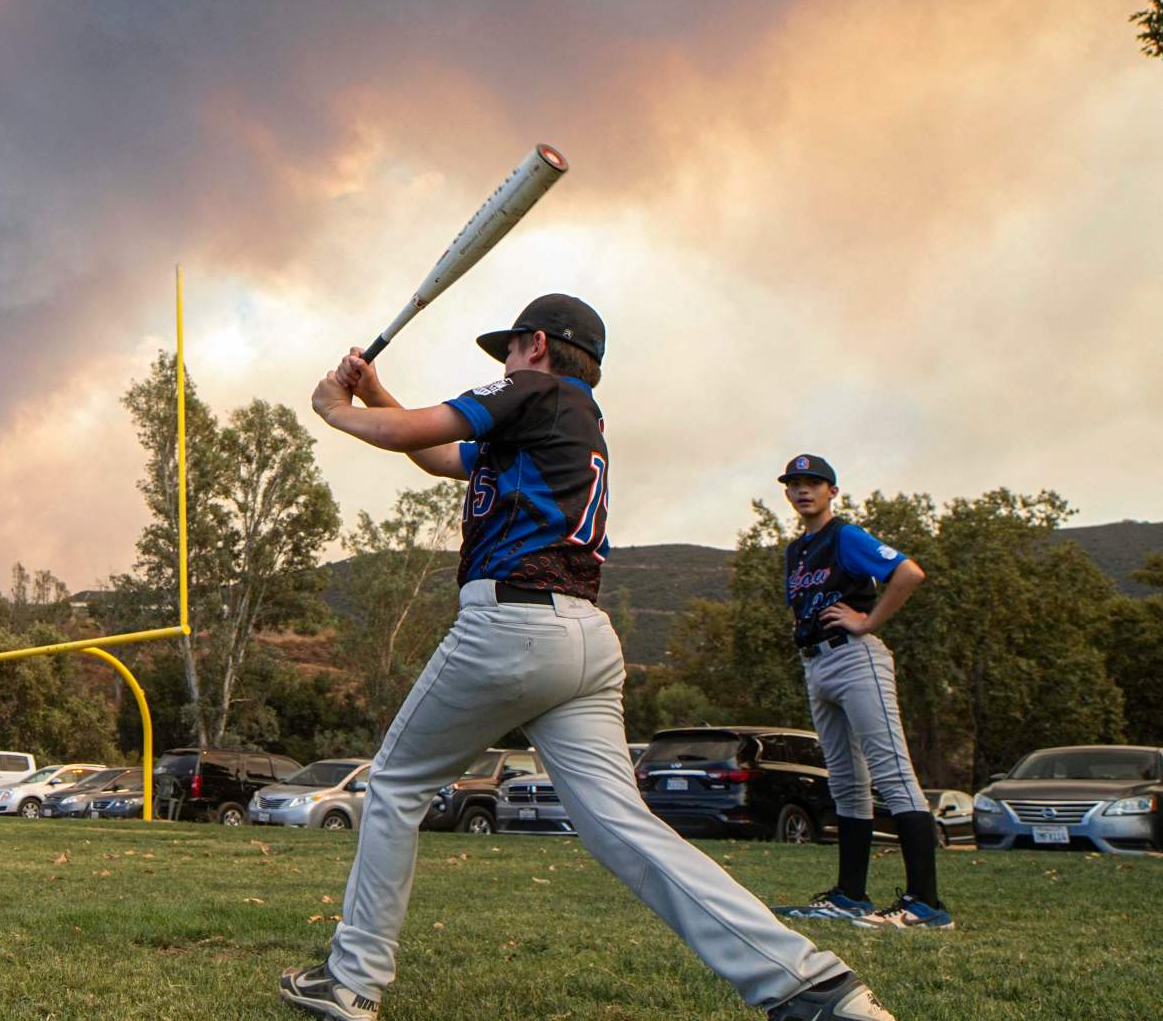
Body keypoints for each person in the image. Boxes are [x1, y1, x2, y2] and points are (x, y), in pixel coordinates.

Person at [281, 295, 894, 1021]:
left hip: (510, 626)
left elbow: (413, 430)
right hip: (585, 642)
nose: (504, 361)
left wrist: (335, 409)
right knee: (621, 827)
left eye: (509, 348)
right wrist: (375, 392)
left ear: (537, 345)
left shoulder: (534, 389)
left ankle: (351, 980)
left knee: (392, 787)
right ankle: (808, 984)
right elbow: (437, 454)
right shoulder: (564, 418)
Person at [769, 456, 951, 931]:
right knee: (847, 784)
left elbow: (909, 573)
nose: (803, 490)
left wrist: (868, 622)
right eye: (795, 484)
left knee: (892, 772)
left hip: (855, 657)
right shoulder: (797, 551)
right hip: (818, 664)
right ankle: (850, 896)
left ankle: (926, 904)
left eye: (814, 483)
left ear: (832, 491)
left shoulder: (844, 536)